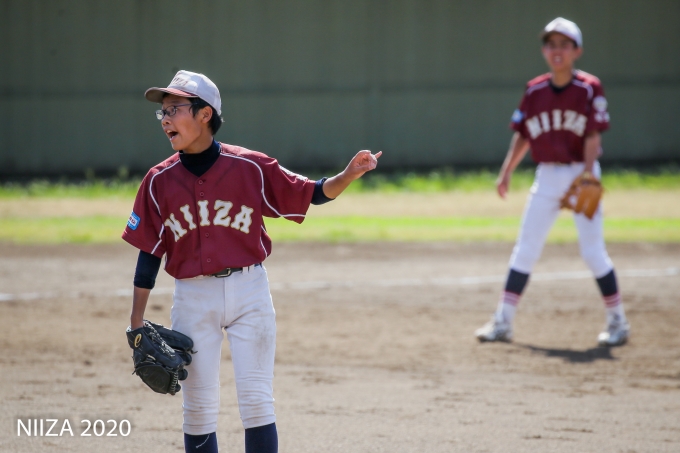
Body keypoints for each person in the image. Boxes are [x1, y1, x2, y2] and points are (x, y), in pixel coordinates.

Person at [122, 70, 382, 453]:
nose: (165, 119)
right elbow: (149, 252)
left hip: (250, 292)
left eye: (174, 109)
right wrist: (135, 321)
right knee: (198, 409)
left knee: (257, 402)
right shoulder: (158, 180)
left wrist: (348, 174)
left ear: (204, 114)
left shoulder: (250, 166)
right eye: (162, 112)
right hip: (192, 297)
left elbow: (311, 193)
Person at [474, 18, 629, 347]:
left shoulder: (589, 87)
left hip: (581, 173)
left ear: (577, 51)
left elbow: (592, 136)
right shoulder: (535, 90)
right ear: (544, 50)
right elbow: (524, 135)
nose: (557, 51)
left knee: (592, 251)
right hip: (546, 175)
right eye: (551, 44)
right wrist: (506, 171)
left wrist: (588, 176)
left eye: (564, 45)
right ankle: (503, 322)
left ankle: (618, 321)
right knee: (525, 249)